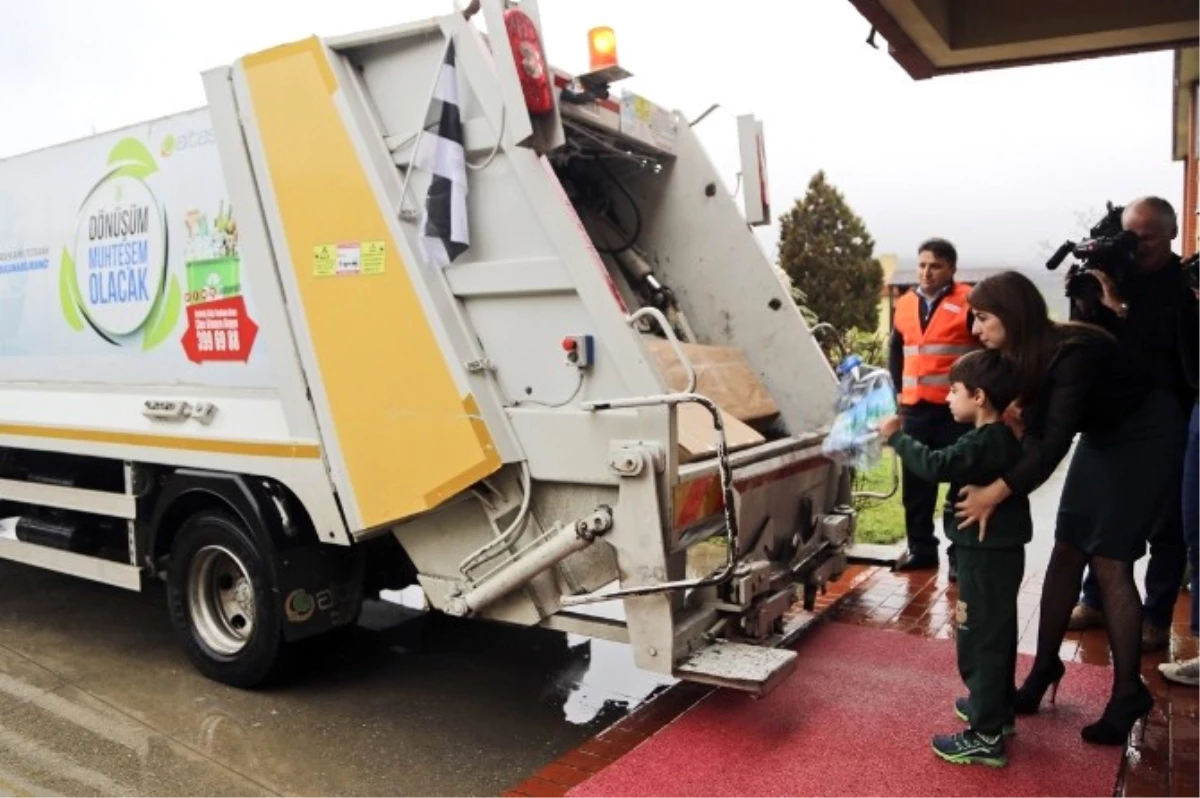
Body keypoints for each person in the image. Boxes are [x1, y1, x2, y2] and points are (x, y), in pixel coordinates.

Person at [954, 270, 1178, 746]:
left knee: (1110, 559)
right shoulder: (1027, 356)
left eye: (984, 318)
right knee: (1067, 546)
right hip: (1103, 439)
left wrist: (997, 491)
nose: (977, 330)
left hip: (1146, 435)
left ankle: (1126, 694)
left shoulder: (1073, 351)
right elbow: (1036, 432)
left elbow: (1052, 442)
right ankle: (1043, 669)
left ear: (1012, 315)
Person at [879, 349, 1028, 768]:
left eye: (954, 391)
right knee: (995, 632)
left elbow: (935, 465)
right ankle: (995, 711)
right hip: (996, 553)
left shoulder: (985, 441)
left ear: (978, 397)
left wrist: (897, 438)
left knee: (978, 637)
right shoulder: (997, 437)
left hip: (986, 557)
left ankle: (984, 734)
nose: (947, 398)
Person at [1067, 197, 1194, 653]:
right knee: (1106, 516)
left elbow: (1159, 350)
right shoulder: (1112, 273)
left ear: (1172, 233)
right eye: (1129, 236)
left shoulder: (1183, 284)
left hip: (1167, 418)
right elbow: (1087, 344)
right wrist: (1086, 301)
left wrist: (1119, 307)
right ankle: (1095, 601)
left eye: (1147, 237)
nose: (1136, 247)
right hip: (1113, 415)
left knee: (1165, 524)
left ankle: (1156, 618)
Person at [887, 238, 979, 579]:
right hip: (915, 409)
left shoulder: (969, 300)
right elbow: (897, 349)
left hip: (957, 411)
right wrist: (896, 392)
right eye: (922, 265)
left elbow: (987, 350)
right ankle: (922, 550)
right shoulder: (906, 302)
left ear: (951, 269)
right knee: (916, 486)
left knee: (960, 484)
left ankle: (959, 556)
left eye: (935, 266)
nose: (926, 272)